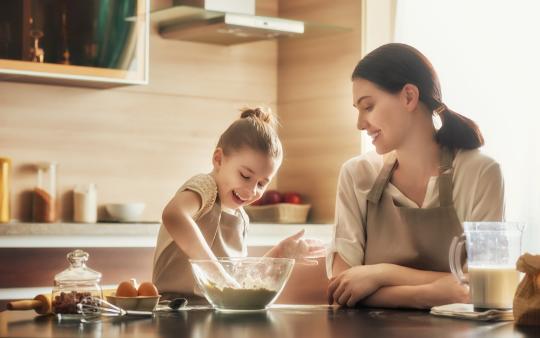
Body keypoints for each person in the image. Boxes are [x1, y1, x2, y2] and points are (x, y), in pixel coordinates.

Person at [327, 43, 505, 309]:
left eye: (368, 106)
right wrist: (440, 290)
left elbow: (484, 289)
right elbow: (343, 286)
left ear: (409, 96)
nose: (360, 123)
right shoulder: (356, 174)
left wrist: (380, 273)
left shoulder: (481, 173)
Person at [153, 107, 325, 300]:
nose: (252, 191)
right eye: (245, 176)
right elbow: (173, 215)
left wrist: (279, 253)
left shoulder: (241, 217)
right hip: (174, 309)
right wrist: (213, 270)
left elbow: (238, 280)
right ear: (218, 159)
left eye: (261, 183)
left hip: (213, 311)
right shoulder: (206, 187)